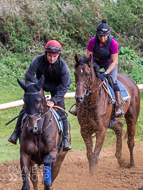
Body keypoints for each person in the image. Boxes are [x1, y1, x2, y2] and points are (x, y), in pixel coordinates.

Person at [8, 40, 72, 151]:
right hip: (39, 86)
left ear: (59, 55)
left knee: (62, 113)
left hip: (56, 89)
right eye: (50, 55)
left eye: (55, 56)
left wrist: (54, 100)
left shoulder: (63, 66)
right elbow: (28, 76)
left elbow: (66, 84)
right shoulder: (37, 60)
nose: (52, 58)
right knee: (25, 110)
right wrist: (36, 86)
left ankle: (65, 139)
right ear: (45, 53)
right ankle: (15, 133)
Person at [70, 19, 124, 117]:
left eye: (104, 36)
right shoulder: (92, 41)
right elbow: (87, 58)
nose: (102, 38)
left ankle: (118, 105)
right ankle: (78, 106)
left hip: (109, 63)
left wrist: (106, 73)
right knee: (85, 80)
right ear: (97, 34)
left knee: (113, 81)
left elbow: (114, 61)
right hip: (96, 62)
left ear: (108, 35)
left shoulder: (113, 43)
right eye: (100, 36)